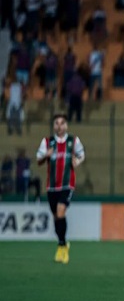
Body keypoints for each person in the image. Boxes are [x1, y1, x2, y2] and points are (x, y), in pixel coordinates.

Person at [36, 112, 85, 264]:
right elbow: (38, 159)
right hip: (52, 187)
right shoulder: (47, 142)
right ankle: (63, 243)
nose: (59, 126)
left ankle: (62, 247)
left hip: (67, 184)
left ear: (66, 125)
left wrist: (78, 161)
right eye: (56, 123)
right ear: (54, 126)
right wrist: (46, 156)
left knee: (61, 210)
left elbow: (82, 154)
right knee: (56, 217)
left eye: (62, 123)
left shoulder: (73, 141)